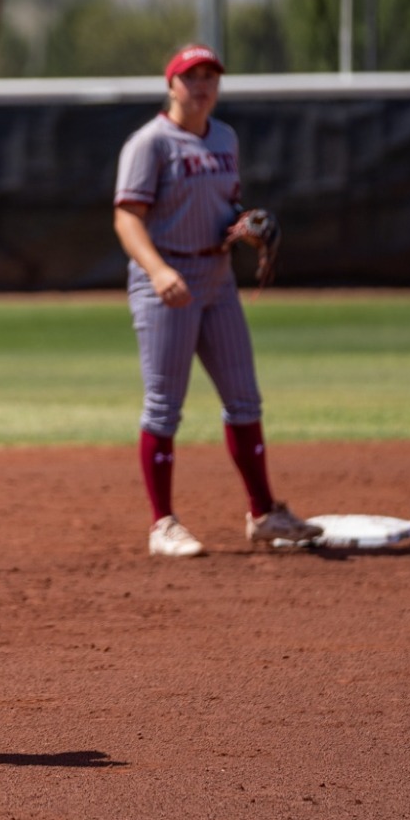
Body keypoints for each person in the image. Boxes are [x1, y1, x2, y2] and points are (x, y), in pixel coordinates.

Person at [112, 44, 322, 557]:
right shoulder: (150, 144)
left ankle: (265, 514)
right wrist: (158, 271)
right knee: (164, 407)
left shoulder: (225, 137)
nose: (202, 85)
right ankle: (162, 525)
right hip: (167, 280)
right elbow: (127, 218)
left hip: (217, 278)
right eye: (191, 76)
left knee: (244, 399)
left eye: (210, 76)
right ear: (171, 84)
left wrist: (241, 226)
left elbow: (224, 205)